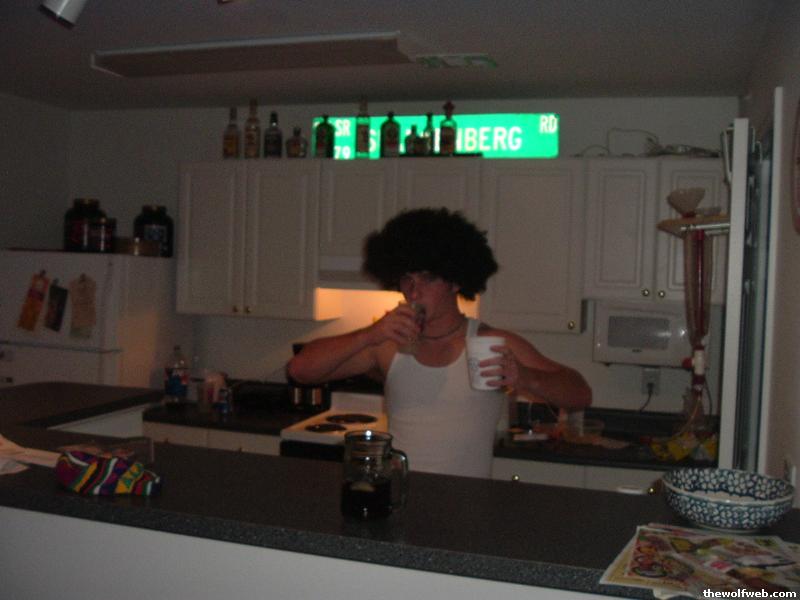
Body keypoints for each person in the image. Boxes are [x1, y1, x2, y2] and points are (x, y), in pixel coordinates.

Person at [287, 208, 591, 478]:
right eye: (407, 279)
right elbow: (300, 370)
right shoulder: (388, 344)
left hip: (467, 504)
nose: (414, 291)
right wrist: (369, 334)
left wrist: (525, 378)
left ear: (455, 281)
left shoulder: (490, 343)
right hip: (400, 498)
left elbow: (580, 395)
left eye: (428, 278)